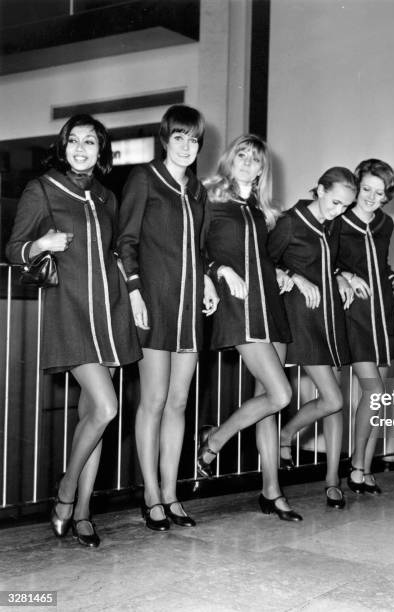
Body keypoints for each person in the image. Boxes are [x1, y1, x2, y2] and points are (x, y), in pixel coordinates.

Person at [6, 114, 142, 547]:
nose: (81, 148)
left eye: (90, 142)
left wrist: (132, 285)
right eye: (73, 141)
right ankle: (65, 494)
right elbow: (14, 249)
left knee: (93, 418)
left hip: (112, 313)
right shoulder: (42, 189)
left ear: (101, 150)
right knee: (106, 407)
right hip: (72, 314)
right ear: (62, 146)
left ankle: (83, 513)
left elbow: (120, 247)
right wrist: (41, 245)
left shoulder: (106, 195)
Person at [117, 105, 218, 531]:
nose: (187, 146)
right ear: (165, 139)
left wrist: (210, 278)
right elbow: (125, 241)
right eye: (179, 137)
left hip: (188, 306)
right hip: (155, 303)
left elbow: (202, 247)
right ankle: (151, 495)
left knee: (179, 402)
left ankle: (173, 492)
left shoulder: (198, 190)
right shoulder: (144, 178)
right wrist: (135, 291)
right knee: (154, 400)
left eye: (194, 139)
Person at [197, 134, 302, 521]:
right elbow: (195, 248)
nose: (246, 162)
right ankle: (215, 440)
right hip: (238, 306)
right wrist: (218, 270)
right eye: (241, 155)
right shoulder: (209, 197)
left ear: (261, 169)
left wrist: (284, 274)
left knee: (269, 408)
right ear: (231, 159)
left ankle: (271, 492)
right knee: (280, 395)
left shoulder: (263, 210)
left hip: (270, 306)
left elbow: (264, 258)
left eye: (254, 159)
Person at [268, 166, 357, 509]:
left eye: (345, 207)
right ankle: (287, 433)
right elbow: (265, 261)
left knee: (334, 402)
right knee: (333, 400)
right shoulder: (289, 221)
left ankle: (331, 479)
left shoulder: (331, 223)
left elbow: (327, 261)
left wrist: (341, 275)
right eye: (335, 202)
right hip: (301, 320)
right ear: (319, 190)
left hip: (330, 317)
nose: (339, 211)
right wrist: (293, 275)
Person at [334, 159, 394, 495]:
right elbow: (323, 259)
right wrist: (343, 276)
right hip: (356, 318)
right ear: (357, 186)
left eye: (379, 193)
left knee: (381, 398)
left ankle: (365, 467)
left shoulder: (385, 224)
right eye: (366, 189)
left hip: (385, 318)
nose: (371, 197)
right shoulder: (338, 220)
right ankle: (356, 465)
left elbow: (382, 263)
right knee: (374, 391)